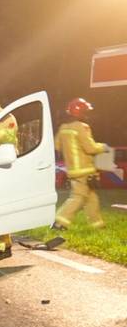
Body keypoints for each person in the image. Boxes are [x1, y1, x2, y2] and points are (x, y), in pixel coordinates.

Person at [54, 98, 110, 231]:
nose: (88, 114)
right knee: (78, 197)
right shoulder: (82, 127)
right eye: (86, 111)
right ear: (80, 113)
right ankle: (59, 222)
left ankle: (97, 225)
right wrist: (104, 147)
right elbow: (90, 148)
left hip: (73, 169)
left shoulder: (63, 128)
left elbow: (57, 146)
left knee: (91, 198)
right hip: (84, 170)